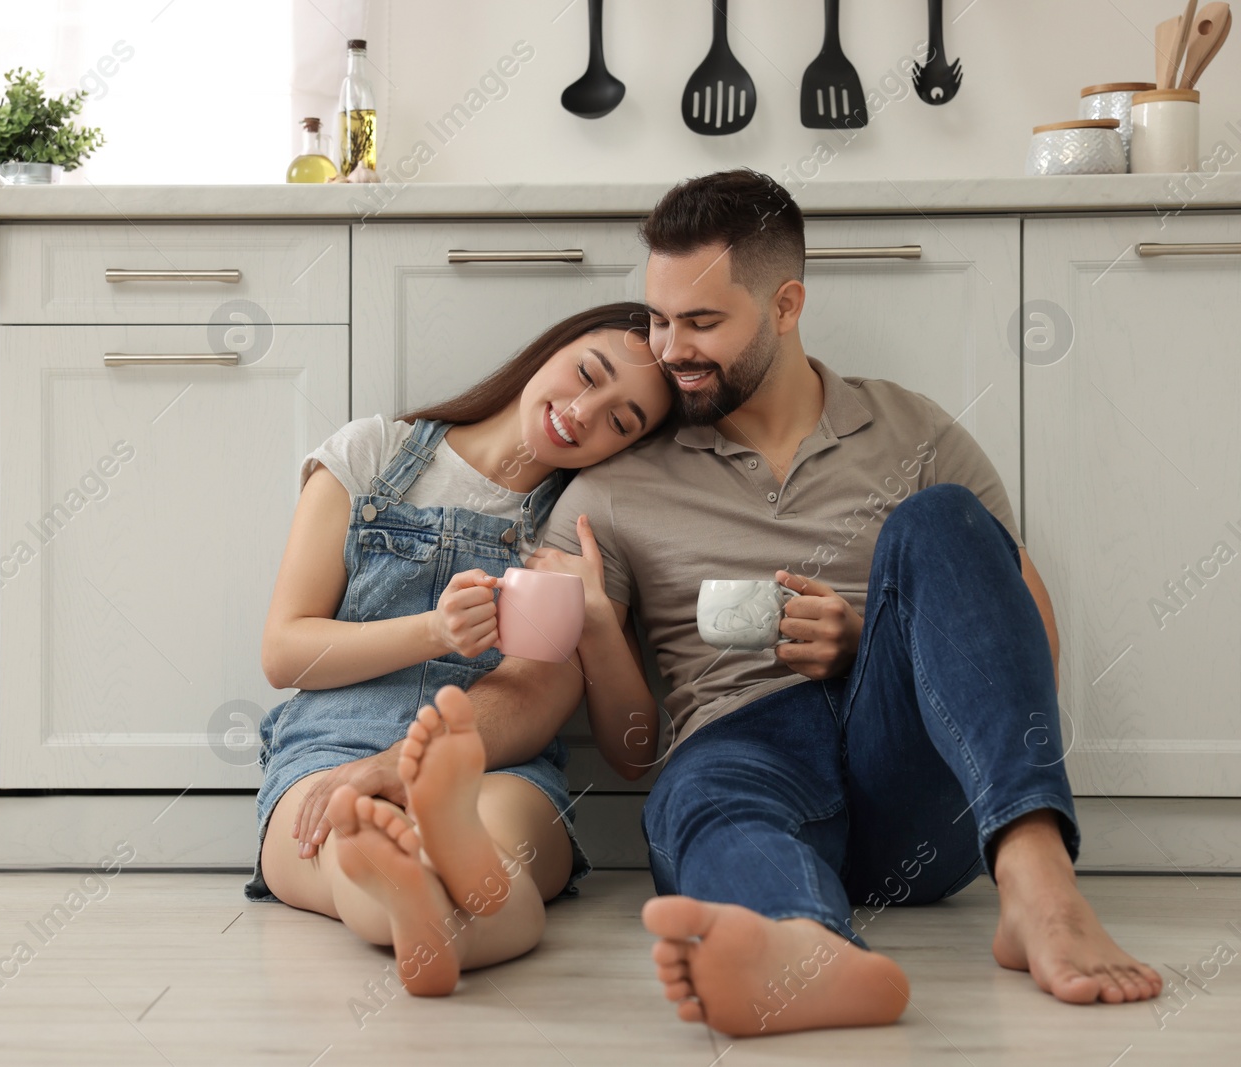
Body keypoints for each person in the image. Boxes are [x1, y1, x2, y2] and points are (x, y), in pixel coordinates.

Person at [317, 168, 1164, 1034]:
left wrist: (873, 639)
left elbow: (1023, 638)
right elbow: (537, 686)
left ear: (787, 306)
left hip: (916, 775)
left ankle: (1040, 890)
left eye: (703, 322)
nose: (669, 347)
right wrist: (400, 762)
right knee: (698, 793)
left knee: (941, 519)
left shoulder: (916, 432)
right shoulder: (614, 481)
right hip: (740, 747)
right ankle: (802, 945)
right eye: (658, 317)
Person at [248, 302, 672, 997]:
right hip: (329, 749)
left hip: (489, 763)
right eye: (586, 373)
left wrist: (595, 622)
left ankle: (417, 883)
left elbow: (582, 722)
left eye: (621, 423)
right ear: (551, 346)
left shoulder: (577, 531)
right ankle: (412, 887)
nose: (584, 411)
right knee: (343, 841)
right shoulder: (375, 453)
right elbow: (285, 649)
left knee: (500, 840)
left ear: (627, 449)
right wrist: (435, 632)